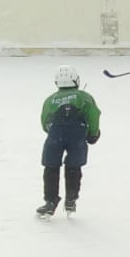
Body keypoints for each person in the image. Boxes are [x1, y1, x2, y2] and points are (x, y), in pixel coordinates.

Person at [37, 65, 101, 217]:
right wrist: (93, 133)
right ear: (75, 80)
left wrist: (52, 132)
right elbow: (94, 114)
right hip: (77, 135)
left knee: (51, 167)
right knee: (74, 166)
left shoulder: (50, 99)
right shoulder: (84, 96)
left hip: (55, 135)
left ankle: (50, 202)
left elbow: (44, 120)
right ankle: (71, 199)